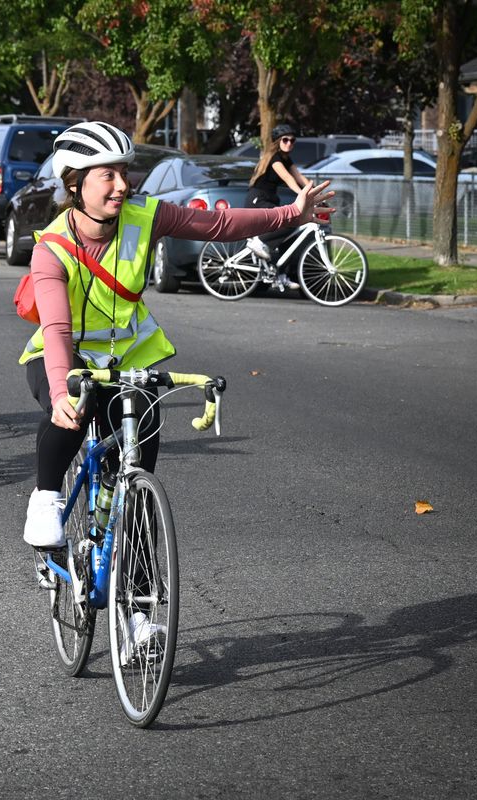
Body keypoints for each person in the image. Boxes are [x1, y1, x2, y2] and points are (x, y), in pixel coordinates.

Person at [21, 121, 333, 549]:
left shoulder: (146, 216)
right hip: (60, 359)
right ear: (74, 184)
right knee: (72, 410)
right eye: (106, 176)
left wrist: (292, 214)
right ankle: (46, 499)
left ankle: (141, 602)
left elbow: (220, 225)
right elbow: (56, 329)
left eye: (123, 173)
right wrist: (60, 393)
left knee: (140, 471)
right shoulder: (51, 248)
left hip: (126, 361)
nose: (121, 185)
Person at [244, 123, 312, 290]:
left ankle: (280, 274)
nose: (289, 143)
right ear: (277, 142)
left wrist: (316, 192)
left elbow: (301, 178)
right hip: (258, 200)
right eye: (285, 140)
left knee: (290, 236)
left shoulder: (287, 159)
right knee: (289, 220)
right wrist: (304, 197)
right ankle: (259, 242)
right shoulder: (274, 159)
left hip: (271, 200)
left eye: (292, 140)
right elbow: (289, 180)